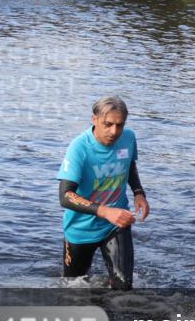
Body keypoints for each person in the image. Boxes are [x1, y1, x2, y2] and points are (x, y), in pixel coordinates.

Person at [56, 96, 150, 289]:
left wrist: (139, 192)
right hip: (80, 229)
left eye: (119, 125)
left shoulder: (129, 138)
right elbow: (65, 196)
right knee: (73, 289)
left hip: (116, 223)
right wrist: (105, 211)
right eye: (108, 124)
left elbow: (129, 165)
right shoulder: (79, 148)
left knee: (124, 287)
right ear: (94, 119)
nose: (114, 131)